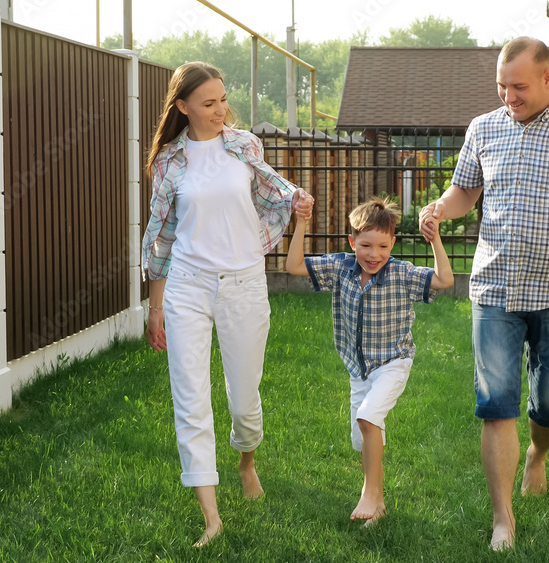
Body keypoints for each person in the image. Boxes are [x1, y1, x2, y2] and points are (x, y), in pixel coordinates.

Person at [419, 37, 549, 551]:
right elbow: (466, 188)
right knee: (496, 403)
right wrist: (443, 208)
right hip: (494, 288)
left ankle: (538, 453)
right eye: (501, 85)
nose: (508, 95)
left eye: (519, 86)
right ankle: (503, 518)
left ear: (548, 79)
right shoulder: (483, 129)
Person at [141, 61, 313, 548]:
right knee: (191, 400)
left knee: (243, 402)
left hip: (243, 283)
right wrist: (155, 308)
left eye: (222, 100)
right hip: (188, 287)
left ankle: (246, 460)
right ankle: (211, 516)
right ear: (183, 108)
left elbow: (274, 194)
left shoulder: (244, 146)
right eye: (208, 103)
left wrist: (296, 203)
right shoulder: (169, 163)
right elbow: (161, 239)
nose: (220, 110)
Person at [286, 197, 453, 525]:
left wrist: (435, 240)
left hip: (393, 362)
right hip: (359, 369)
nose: (373, 255)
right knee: (365, 434)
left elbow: (445, 280)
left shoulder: (401, 273)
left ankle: (371, 493)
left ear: (392, 243)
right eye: (365, 245)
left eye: (382, 246)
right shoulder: (341, 267)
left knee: (368, 416)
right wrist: (302, 222)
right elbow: (292, 266)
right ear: (352, 242)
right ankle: (377, 507)